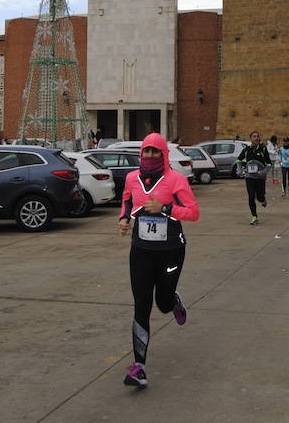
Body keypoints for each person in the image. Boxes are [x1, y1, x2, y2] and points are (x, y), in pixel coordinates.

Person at [118, 133, 200, 389]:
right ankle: (139, 367)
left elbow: (193, 212)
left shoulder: (175, 180)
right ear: (141, 154)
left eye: (155, 152)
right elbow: (127, 200)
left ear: (164, 154)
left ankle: (173, 300)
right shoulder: (132, 178)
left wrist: (165, 209)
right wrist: (124, 219)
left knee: (162, 304)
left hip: (171, 251)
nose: (150, 156)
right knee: (141, 304)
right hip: (141, 251)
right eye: (146, 151)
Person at [236, 131, 272, 225]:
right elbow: (239, 160)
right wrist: (239, 170)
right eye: (254, 136)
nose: (256, 138)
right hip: (249, 177)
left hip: (260, 178)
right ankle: (254, 217)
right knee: (251, 196)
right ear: (251, 139)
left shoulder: (263, 149)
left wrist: (263, 172)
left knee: (260, 197)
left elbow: (269, 164)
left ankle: (263, 200)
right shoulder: (246, 150)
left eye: (257, 136)